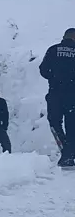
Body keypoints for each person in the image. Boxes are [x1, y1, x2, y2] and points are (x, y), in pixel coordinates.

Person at [39, 28, 75, 166]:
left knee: (54, 123)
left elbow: (43, 70)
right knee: (72, 125)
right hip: (72, 95)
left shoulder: (53, 50)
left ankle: (66, 152)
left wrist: (55, 77)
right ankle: (70, 152)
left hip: (55, 93)